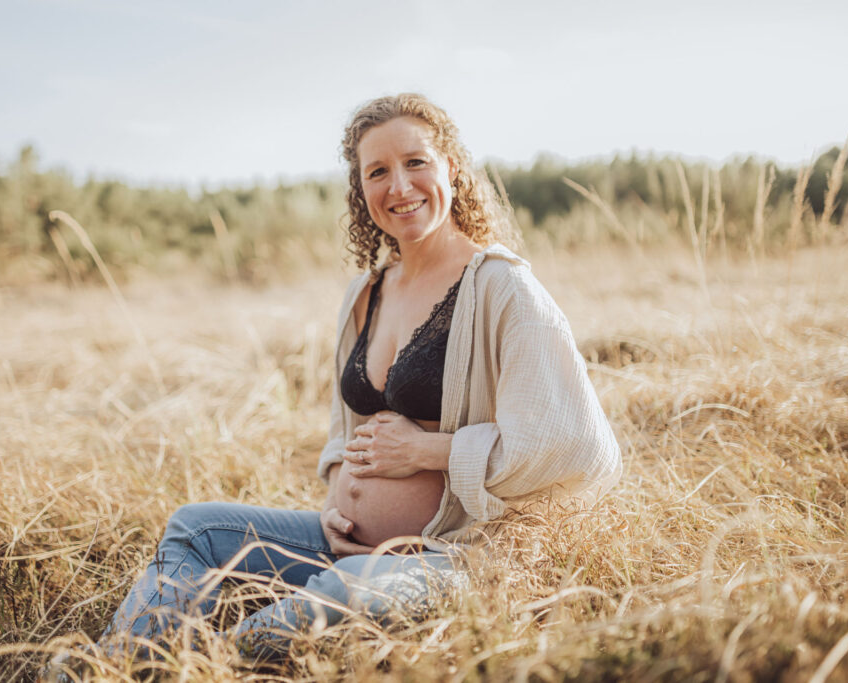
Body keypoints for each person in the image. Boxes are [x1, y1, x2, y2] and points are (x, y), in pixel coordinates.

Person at [67, 93, 622, 669]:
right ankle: (111, 666)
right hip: (344, 542)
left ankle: (197, 670)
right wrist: (336, 501)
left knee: (347, 588)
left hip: (456, 555)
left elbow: (575, 448)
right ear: (362, 191)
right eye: (377, 172)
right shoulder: (366, 295)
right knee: (197, 528)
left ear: (451, 167)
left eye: (416, 162)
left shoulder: (503, 288)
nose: (400, 187)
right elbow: (344, 430)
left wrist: (429, 451)